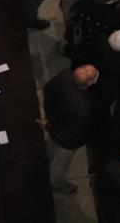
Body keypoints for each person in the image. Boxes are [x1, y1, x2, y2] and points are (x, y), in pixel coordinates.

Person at [41, 65, 99, 193]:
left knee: (51, 144)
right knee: (61, 163)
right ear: (89, 83)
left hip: (54, 122)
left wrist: (49, 120)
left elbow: (47, 90)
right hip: (67, 139)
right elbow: (73, 132)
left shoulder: (64, 75)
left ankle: (44, 162)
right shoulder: (85, 107)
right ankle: (57, 184)